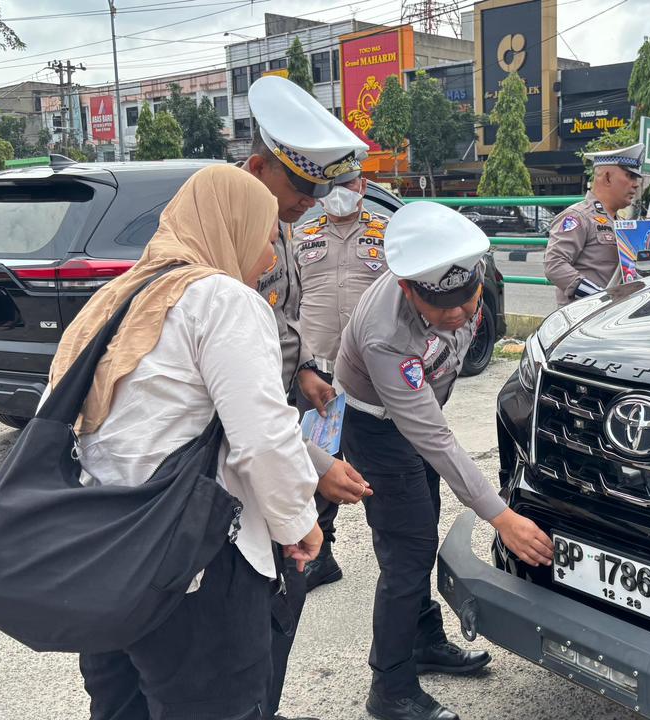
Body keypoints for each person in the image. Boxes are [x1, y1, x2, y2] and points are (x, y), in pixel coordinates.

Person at [62, 164, 324, 720]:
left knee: (118, 706)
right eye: (264, 234)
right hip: (192, 561)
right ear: (231, 228)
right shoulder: (222, 299)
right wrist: (298, 524)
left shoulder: (115, 297)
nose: (272, 257)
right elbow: (263, 437)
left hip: (105, 553)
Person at [335, 202, 555, 720]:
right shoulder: (384, 332)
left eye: (467, 299)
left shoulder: (460, 287)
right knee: (406, 552)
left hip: (419, 416)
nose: (459, 314)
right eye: (443, 305)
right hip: (376, 428)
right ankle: (389, 688)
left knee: (421, 529)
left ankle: (423, 639)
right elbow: (433, 438)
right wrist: (500, 516)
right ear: (409, 288)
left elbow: (445, 365)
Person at [243, 74, 374, 720]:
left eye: (319, 187)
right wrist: (315, 471)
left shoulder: (280, 227)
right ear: (256, 167)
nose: (311, 201)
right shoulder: (238, 241)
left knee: (281, 598)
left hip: (282, 421)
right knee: (265, 594)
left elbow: (279, 327)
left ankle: (261, 703)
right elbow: (239, 375)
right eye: (301, 186)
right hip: (254, 445)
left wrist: (305, 374)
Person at [292, 158, 390, 589]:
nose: (339, 191)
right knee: (317, 462)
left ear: (363, 185)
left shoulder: (388, 232)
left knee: (379, 463)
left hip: (371, 372)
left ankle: (394, 556)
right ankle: (321, 551)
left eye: (348, 182)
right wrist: (300, 362)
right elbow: (288, 303)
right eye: (332, 184)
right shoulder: (303, 234)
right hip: (316, 371)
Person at [544, 142, 644, 306]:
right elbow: (554, 265)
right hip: (583, 317)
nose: (636, 184)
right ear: (607, 177)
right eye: (630, 176)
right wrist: (597, 297)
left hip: (615, 315)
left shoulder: (622, 224)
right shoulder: (578, 217)